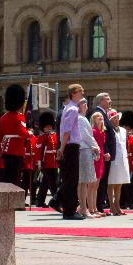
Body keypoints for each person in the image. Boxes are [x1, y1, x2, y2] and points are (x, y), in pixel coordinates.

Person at [57, 83, 85, 220]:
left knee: (70, 178)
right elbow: (67, 131)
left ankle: (64, 205)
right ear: (73, 93)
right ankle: (69, 210)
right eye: (80, 92)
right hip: (70, 146)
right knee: (71, 180)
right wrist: (62, 148)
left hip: (69, 146)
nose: (82, 94)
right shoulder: (73, 109)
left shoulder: (69, 108)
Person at [0, 84, 30, 189]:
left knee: (8, 179)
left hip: (6, 152)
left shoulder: (3, 117)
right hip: (17, 152)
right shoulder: (19, 117)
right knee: (15, 180)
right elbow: (22, 132)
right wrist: (30, 134)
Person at [76, 98, 101, 218]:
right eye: (83, 103)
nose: (86, 105)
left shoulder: (83, 118)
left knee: (84, 181)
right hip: (84, 149)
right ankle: (84, 209)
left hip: (86, 149)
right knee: (83, 181)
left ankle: (83, 207)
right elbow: (86, 135)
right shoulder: (80, 118)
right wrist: (95, 146)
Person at [93, 93, 116, 212]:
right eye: (108, 99)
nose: (110, 101)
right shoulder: (99, 113)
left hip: (105, 154)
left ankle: (99, 205)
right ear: (101, 101)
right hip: (103, 155)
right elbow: (101, 136)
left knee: (103, 181)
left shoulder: (104, 114)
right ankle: (98, 206)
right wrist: (106, 152)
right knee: (101, 182)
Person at [106, 110, 129, 215]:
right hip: (113, 159)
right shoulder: (108, 130)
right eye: (113, 118)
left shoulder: (124, 130)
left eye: (116, 118)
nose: (116, 120)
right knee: (111, 183)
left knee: (119, 183)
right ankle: (111, 205)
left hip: (122, 159)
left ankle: (117, 204)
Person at [34, 111, 60, 206]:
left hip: (54, 162)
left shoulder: (54, 136)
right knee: (53, 183)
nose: (49, 128)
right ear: (43, 128)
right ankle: (56, 201)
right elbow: (38, 151)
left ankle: (39, 201)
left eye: (50, 126)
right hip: (46, 163)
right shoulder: (42, 138)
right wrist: (39, 163)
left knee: (45, 183)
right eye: (47, 127)